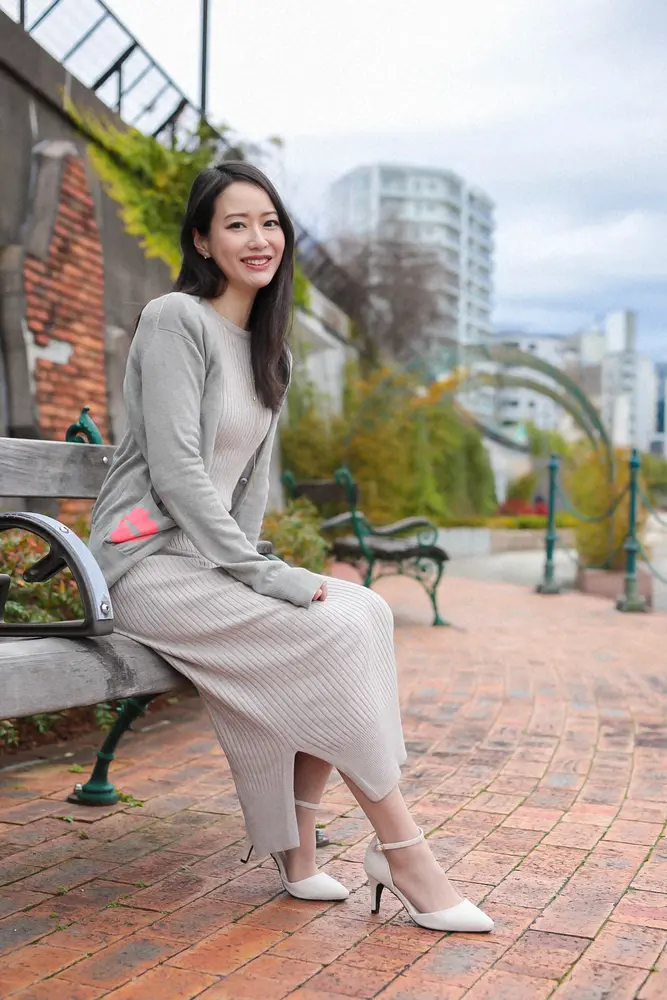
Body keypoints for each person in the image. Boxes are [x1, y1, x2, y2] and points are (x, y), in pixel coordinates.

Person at [88, 162, 493, 933]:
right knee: (326, 630)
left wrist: (253, 565)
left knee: (365, 611)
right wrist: (259, 576)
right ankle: (402, 852)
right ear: (202, 240)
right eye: (236, 224)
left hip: (208, 561)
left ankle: (301, 851)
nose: (257, 238)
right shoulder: (176, 319)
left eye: (269, 222)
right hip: (141, 562)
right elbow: (175, 474)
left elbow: (246, 487)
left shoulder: (270, 348)